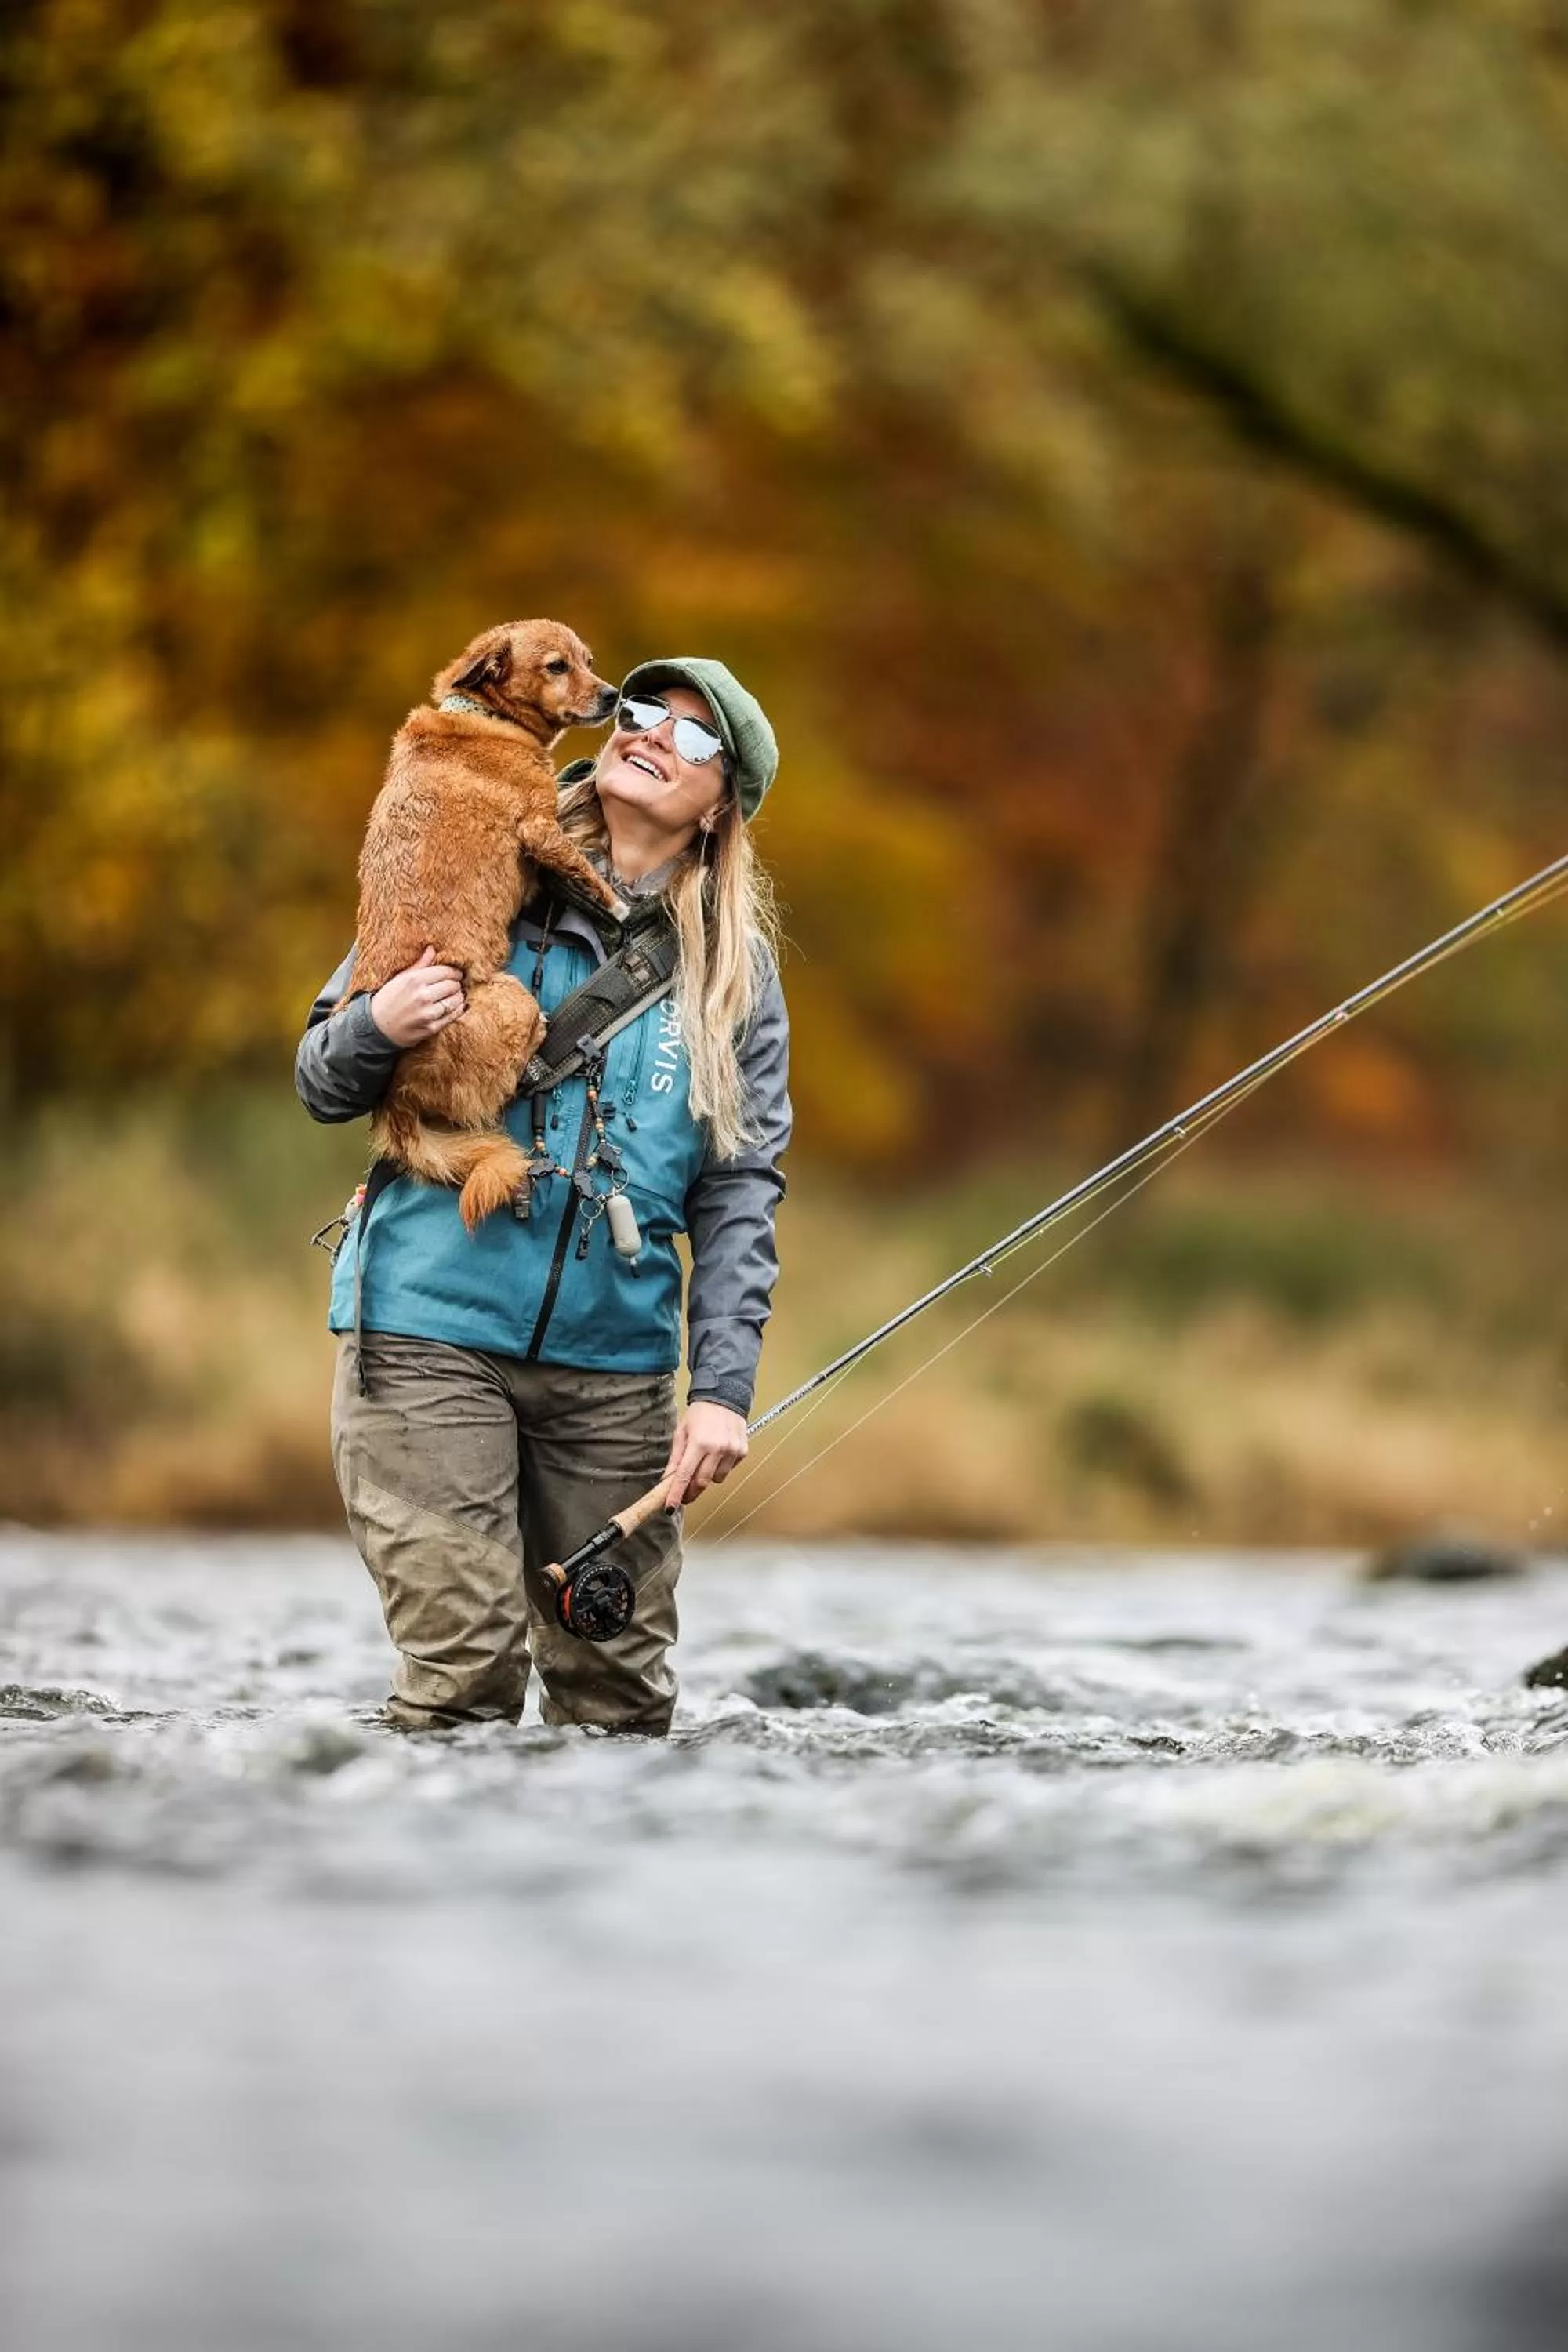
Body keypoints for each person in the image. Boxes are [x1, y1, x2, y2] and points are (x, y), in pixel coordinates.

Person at [295, 658, 790, 1734]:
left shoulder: (735, 975)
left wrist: (722, 1390)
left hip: (614, 1372)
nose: (651, 733)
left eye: (694, 739)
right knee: (463, 1682)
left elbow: (742, 1188)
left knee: (620, 1705)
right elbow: (321, 1079)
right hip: (426, 1334)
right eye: (647, 712)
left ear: (721, 810)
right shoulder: (469, 849)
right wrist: (379, 1028)